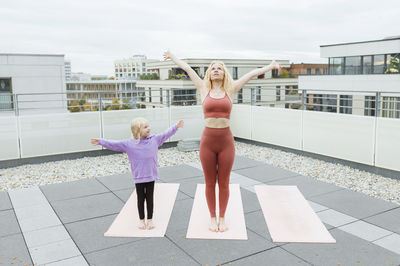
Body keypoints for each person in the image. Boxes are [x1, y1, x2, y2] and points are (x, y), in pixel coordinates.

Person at [163, 50, 280, 232]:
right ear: (209, 73)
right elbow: (186, 68)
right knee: (210, 182)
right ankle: (212, 217)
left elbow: (250, 74)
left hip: (226, 141)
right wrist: (171, 55)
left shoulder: (230, 90)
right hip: (208, 142)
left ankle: (222, 217)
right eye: (213, 68)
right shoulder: (203, 88)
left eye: (220, 68)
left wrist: (271, 66)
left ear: (224, 73)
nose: (216, 70)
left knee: (224, 182)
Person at [91, 118, 184, 230]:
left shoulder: (155, 140)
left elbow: (166, 134)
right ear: (137, 131)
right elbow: (114, 144)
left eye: (148, 126)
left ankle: (149, 220)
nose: (148, 128)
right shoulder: (129, 144)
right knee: (140, 199)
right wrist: (101, 141)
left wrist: (176, 126)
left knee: (150, 198)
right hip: (139, 177)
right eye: (145, 127)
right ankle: (141, 220)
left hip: (150, 176)